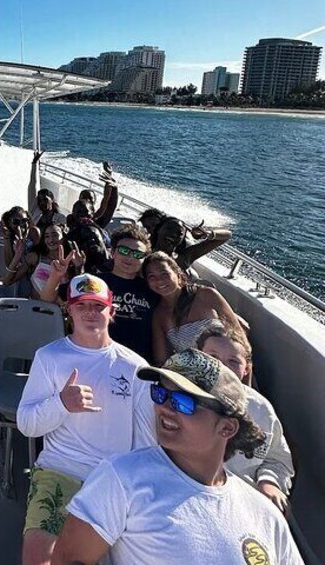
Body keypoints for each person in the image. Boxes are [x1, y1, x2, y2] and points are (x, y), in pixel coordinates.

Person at [53, 349, 303, 565]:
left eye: (184, 402)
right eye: (160, 394)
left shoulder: (264, 515)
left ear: (227, 428)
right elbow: (68, 559)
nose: (165, 408)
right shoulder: (121, 478)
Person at [17, 273, 155, 565]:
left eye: (97, 306)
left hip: (114, 481)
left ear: (111, 311)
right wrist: (61, 403)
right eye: (81, 305)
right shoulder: (49, 357)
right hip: (59, 471)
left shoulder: (135, 367)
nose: (90, 312)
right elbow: (27, 424)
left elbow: (146, 439)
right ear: (69, 310)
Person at [197, 324, 294, 512]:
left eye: (233, 361)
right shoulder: (175, 398)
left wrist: (269, 482)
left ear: (246, 369)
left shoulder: (261, 409)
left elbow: (277, 459)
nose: (222, 367)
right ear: (198, 356)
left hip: (244, 503)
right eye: (213, 357)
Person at [143, 251, 244, 364]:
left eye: (164, 274)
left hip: (229, 366)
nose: (159, 280)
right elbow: (161, 360)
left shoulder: (207, 294)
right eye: (152, 277)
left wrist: (246, 370)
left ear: (178, 275)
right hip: (195, 373)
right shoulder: (159, 316)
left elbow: (239, 335)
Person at [97, 225, 158, 360]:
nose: (130, 257)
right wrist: (57, 276)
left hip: (138, 361)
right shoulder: (96, 282)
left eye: (137, 254)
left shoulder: (152, 288)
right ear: (113, 252)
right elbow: (53, 301)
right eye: (124, 250)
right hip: (99, 356)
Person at [150, 215, 231, 271]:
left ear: (182, 238)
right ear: (158, 229)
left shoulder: (183, 258)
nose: (173, 234)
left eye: (179, 233)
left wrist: (207, 234)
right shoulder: (145, 249)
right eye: (169, 229)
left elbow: (228, 235)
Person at [1, 206, 42, 293]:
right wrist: (7, 239)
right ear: (10, 223)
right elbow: (9, 265)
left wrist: (22, 239)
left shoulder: (34, 232)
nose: (21, 225)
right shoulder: (11, 236)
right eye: (16, 221)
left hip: (34, 271)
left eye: (24, 221)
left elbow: (34, 259)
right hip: (20, 271)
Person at [26, 151, 66, 229]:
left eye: (45, 199)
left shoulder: (60, 218)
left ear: (52, 200)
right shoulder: (34, 212)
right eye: (40, 201)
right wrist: (34, 163)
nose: (42, 203)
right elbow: (32, 184)